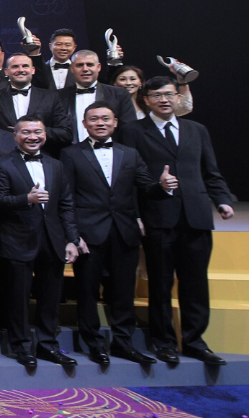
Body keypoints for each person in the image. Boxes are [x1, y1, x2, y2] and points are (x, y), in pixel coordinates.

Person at [134, 76, 234, 365]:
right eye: (157, 95)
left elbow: (211, 172)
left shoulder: (196, 130)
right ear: (146, 99)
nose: (164, 100)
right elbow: (129, 177)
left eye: (169, 94)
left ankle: (194, 342)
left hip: (196, 217)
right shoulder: (134, 131)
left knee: (195, 284)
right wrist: (137, 214)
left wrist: (223, 200)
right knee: (161, 284)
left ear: (178, 97)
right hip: (158, 217)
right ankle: (163, 342)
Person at [60, 103, 166, 366]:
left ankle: (123, 343)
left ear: (115, 122)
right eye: (93, 119)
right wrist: (73, 235)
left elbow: (145, 187)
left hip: (124, 231)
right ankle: (93, 344)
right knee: (87, 292)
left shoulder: (129, 153)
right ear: (84, 124)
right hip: (89, 233)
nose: (100, 123)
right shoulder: (70, 154)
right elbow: (67, 198)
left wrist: (162, 186)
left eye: (105, 119)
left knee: (123, 291)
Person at [0, 116, 80, 368]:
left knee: (51, 298)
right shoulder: (1, 163)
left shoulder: (55, 164)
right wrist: (26, 199)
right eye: (26, 132)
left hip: (52, 239)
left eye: (38, 132)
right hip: (16, 239)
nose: (33, 137)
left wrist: (71, 239)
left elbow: (66, 204)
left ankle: (48, 346)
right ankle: (21, 347)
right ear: (16, 136)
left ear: (45, 134)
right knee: (18, 298)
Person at [0, 54, 74, 152]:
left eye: (25, 66)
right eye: (15, 67)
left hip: (44, 158)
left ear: (33, 70)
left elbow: (66, 133)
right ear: (6, 72)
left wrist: (36, 132)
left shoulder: (51, 97)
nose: (21, 70)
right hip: (3, 157)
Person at [57, 50, 135, 144]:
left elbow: (128, 130)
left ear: (98, 67)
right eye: (79, 65)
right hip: (68, 154)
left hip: (112, 154)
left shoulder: (119, 94)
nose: (85, 69)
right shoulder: (58, 96)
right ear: (72, 68)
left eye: (90, 65)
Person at [113, 66, 194, 119]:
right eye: (123, 79)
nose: (128, 83)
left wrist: (183, 81)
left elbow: (185, 108)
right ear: (115, 83)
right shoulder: (110, 103)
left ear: (140, 82)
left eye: (133, 79)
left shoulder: (150, 102)